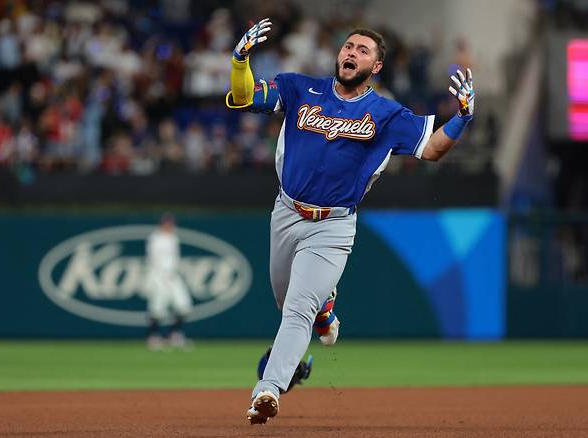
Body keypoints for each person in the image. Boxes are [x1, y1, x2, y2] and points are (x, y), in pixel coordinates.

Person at [226, 19, 475, 424]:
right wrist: (240, 60)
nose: (351, 53)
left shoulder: (387, 114)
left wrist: (462, 118)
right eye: (348, 46)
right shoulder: (298, 87)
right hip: (287, 212)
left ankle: (267, 391)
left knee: (296, 310)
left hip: (333, 225)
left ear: (376, 66)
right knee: (284, 300)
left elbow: (430, 149)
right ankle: (325, 306)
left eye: (362, 50)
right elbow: (244, 96)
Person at [145, 213, 194, 351]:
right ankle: (153, 337)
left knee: (184, 305)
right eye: (167, 223)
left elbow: (174, 260)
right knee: (157, 308)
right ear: (162, 224)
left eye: (171, 223)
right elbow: (153, 259)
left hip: (173, 276)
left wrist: (172, 274)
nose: (170, 226)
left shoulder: (174, 238)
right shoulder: (155, 238)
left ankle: (175, 335)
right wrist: (161, 276)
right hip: (158, 276)